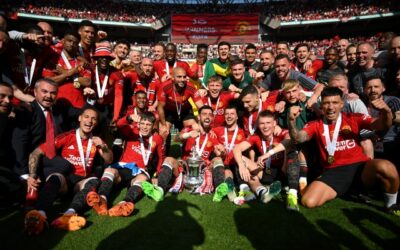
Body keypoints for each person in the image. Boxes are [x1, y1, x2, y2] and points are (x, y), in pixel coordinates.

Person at [288, 87, 399, 215]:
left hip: (360, 168)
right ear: (321, 106)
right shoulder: (315, 124)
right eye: (326, 103)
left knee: (386, 167)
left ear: (342, 104)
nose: (330, 107)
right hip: (334, 172)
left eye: (335, 103)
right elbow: (298, 138)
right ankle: (348, 190)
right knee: (308, 201)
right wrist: (291, 121)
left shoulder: (353, 118)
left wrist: (386, 111)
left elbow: (383, 125)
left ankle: (391, 205)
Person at [24, 107, 113, 235]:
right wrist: (32, 175)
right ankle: (39, 215)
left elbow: (109, 160)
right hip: (66, 181)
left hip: (82, 183)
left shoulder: (96, 141)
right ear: (80, 118)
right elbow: (36, 153)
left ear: (96, 123)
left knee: (94, 181)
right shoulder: (67, 136)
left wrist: (103, 146)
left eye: (94, 119)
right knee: (55, 176)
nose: (90, 121)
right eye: (87, 117)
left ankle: (68, 215)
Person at [95, 112, 164, 217]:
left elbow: (161, 158)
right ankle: (101, 200)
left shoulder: (157, 139)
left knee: (142, 179)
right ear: (139, 124)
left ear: (153, 126)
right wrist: (129, 118)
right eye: (143, 123)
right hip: (123, 167)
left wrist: (158, 175)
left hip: (140, 171)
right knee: (109, 171)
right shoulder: (132, 132)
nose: (145, 127)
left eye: (148, 124)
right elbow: (119, 125)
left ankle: (124, 204)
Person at [233, 110, 288, 205]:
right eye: (262, 123)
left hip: (282, 172)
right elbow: (237, 148)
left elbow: (289, 141)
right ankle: (262, 191)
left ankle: (285, 186)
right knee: (239, 159)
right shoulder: (256, 136)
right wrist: (242, 166)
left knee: (292, 154)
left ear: (275, 123)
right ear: (258, 124)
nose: (265, 126)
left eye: (268, 123)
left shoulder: (282, 133)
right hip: (264, 172)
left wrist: (268, 154)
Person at [42, 30, 92, 109]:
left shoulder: (82, 62)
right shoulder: (54, 60)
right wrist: (68, 74)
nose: (72, 44)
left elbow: (87, 82)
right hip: (58, 105)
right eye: (69, 41)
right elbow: (47, 81)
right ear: (63, 41)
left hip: (79, 106)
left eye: (75, 42)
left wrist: (63, 73)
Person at [211, 104, 247, 202]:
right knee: (227, 172)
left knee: (235, 164)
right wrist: (216, 143)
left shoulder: (242, 132)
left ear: (237, 116)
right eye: (227, 114)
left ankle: (236, 187)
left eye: (232, 114)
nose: (229, 116)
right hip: (223, 164)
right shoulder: (218, 130)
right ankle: (230, 188)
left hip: (236, 164)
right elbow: (205, 130)